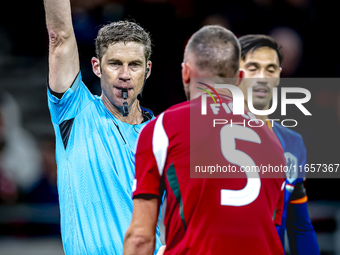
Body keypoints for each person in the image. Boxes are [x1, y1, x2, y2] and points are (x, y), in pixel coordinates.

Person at [124, 25, 286, 255]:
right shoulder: (273, 142)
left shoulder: (163, 127)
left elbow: (140, 237)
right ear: (239, 77)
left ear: (186, 72)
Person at [43, 0, 163, 254]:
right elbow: (60, 37)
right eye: (115, 63)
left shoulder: (163, 135)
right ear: (97, 67)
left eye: (134, 65)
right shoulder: (75, 111)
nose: (125, 74)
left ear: (147, 70)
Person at [238, 34, 320, 254]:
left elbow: (299, 226)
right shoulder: (204, 135)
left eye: (271, 69)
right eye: (253, 68)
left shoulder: (293, 143)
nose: (262, 77)